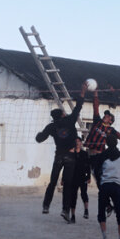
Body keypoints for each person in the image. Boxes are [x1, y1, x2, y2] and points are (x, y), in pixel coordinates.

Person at [36, 82, 88, 216]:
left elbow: (39, 139)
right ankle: (65, 210)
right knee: (68, 184)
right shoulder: (70, 120)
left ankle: (46, 206)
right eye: (64, 112)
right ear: (62, 115)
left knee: (53, 182)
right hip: (70, 157)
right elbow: (78, 106)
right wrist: (82, 91)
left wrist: (38, 135)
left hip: (58, 156)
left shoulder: (52, 126)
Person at [82, 88, 120, 187]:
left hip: (98, 155)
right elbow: (95, 107)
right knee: (83, 171)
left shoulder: (111, 130)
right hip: (88, 152)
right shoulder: (97, 121)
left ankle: (104, 194)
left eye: (108, 116)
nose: (106, 116)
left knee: (98, 177)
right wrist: (95, 95)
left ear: (111, 121)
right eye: (106, 115)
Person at [64, 138, 91, 222]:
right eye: (75, 142)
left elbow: (88, 166)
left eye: (79, 142)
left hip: (83, 177)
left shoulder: (84, 154)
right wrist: (63, 178)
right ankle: (73, 216)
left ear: (81, 143)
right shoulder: (71, 154)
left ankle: (86, 210)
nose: (77, 143)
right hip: (73, 178)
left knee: (84, 194)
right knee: (73, 197)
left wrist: (89, 176)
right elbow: (66, 167)